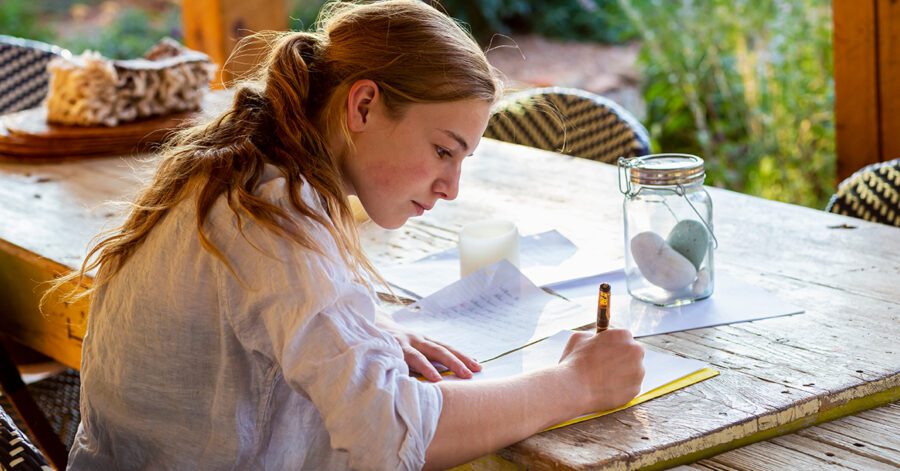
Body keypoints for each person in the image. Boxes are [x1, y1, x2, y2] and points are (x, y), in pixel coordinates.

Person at [55, 1, 645, 469]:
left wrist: (354, 332)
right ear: (362, 106)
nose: (451, 189)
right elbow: (388, 434)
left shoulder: (236, 171)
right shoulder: (275, 219)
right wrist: (575, 384)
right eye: (443, 150)